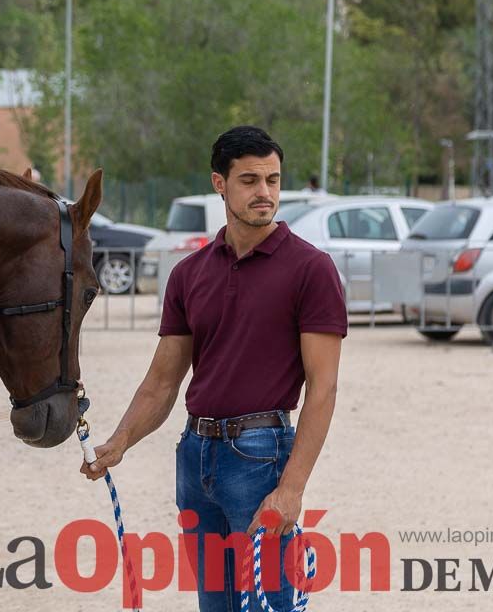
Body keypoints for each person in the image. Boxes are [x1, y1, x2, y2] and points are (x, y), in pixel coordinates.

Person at [80, 126, 346, 611]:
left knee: (272, 605)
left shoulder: (312, 269)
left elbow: (323, 389)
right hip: (195, 454)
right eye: (249, 180)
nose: (264, 192)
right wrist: (118, 444)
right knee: (215, 605)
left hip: (261, 458)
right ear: (219, 184)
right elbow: (163, 380)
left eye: (272, 179)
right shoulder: (189, 274)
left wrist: (291, 489)